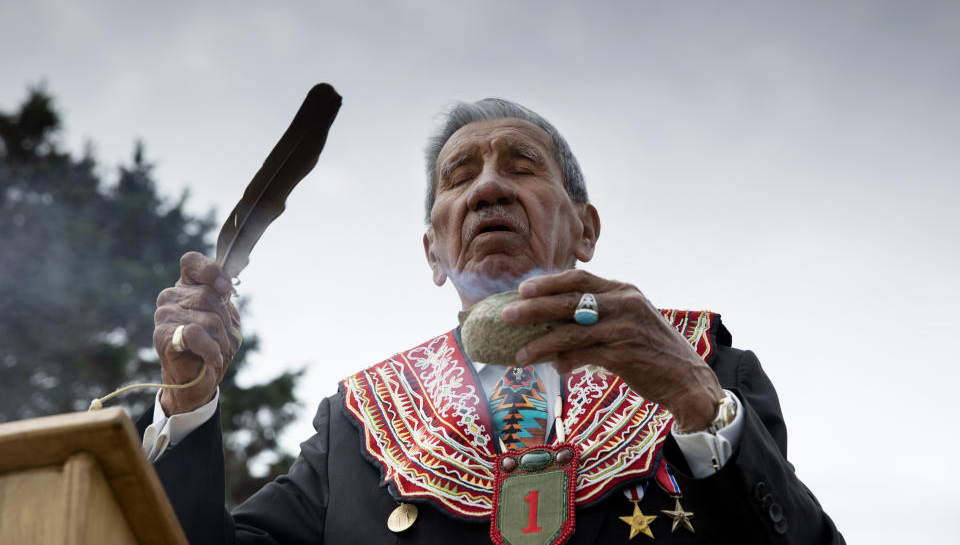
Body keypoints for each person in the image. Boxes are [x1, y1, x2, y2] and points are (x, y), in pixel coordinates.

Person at [140, 99, 844, 543]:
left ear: (586, 228)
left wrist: (691, 394)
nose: (488, 187)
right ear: (434, 252)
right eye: (458, 176)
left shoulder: (704, 366)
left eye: (522, 165)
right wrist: (188, 402)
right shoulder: (358, 425)